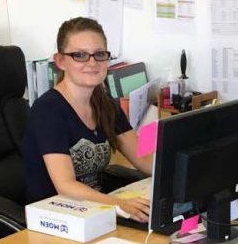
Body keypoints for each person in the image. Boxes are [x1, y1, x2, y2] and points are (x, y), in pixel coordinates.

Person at [22, 17, 153, 222]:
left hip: (96, 211)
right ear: (60, 61)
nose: (92, 63)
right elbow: (65, 185)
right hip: (57, 218)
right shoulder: (48, 111)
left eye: (99, 54)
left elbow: (143, 158)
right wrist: (119, 204)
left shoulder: (105, 103)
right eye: (80, 55)